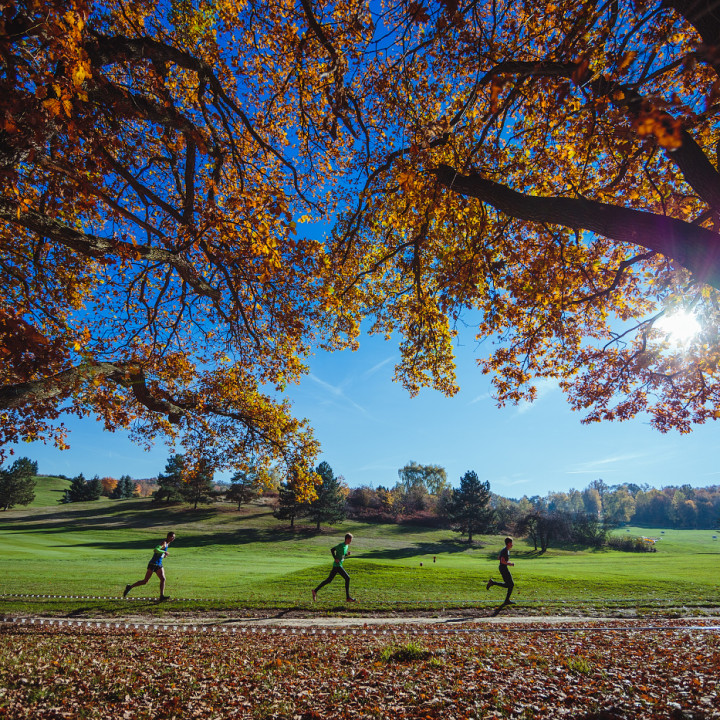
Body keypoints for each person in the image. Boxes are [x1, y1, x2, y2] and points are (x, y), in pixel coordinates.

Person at [123, 532, 175, 601]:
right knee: (145, 581)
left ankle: (161, 596)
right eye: (172, 537)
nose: (173, 539)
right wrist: (163, 552)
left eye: (174, 537)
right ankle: (130, 587)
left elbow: (159, 553)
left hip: (159, 564)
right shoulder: (164, 543)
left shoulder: (167, 544)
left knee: (163, 579)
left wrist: (163, 555)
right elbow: (155, 550)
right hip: (153, 564)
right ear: (168, 536)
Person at [312, 533, 356, 602]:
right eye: (350, 540)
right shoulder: (341, 545)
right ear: (347, 539)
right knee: (347, 578)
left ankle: (315, 591)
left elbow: (342, 554)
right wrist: (335, 558)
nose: (351, 541)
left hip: (338, 566)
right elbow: (332, 550)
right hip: (337, 566)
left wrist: (346, 554)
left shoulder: (346, 546)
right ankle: (348, 598)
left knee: (329, 580)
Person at [486, 536, 515, 605]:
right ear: (508, 543)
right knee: (511, 584)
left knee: (509, 585)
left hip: (503, 568)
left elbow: (499, 558)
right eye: (511, 543)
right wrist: (509, 564)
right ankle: (506, 600)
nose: (512, 544)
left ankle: (493, 583)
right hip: (503, 568)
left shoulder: (505, 550)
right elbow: (502, 561)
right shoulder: (505, 550)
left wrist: (506, 561)